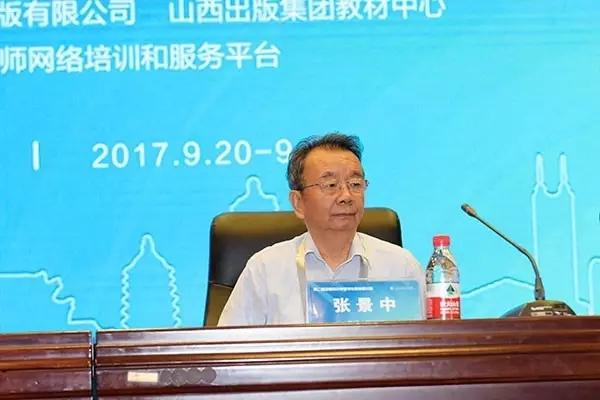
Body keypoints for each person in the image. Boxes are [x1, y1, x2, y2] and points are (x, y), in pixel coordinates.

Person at [218, 133, 425, 326]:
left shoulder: (401, 267)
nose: (346, 196)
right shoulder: (265, 270)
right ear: (298, 202)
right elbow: (228, 349)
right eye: (331, 185)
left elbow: (430, 344)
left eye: (355, 184)